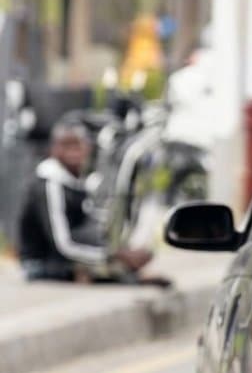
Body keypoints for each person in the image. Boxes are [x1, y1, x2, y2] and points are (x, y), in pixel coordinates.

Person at [17, 121, 152, 282]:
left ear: (87, 148)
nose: (73, 152)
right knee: (117, 272)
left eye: (77, 146)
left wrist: (118, 249)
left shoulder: (79, 181)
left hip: (69, 258)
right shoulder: (49, 183)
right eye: (66, 146)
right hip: (43, 262)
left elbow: (91, 227)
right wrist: (111, 255)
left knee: (132, 262)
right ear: (54, 149)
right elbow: (63, 244)